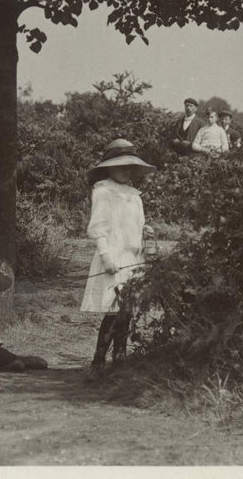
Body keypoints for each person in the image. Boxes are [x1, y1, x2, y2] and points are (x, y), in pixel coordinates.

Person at [82, 138, 155, 381]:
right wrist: (106, 256)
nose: (125, 170)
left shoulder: (134, 194)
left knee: (127, 311)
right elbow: (99, 228)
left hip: (132, 258)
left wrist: (145, 232)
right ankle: (99, 360)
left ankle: (120, 359)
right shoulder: (103, 190)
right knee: (113, 311)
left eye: (129, 166)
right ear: (109, 167)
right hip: (113, 257)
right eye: (120, 165)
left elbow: (137, 224)